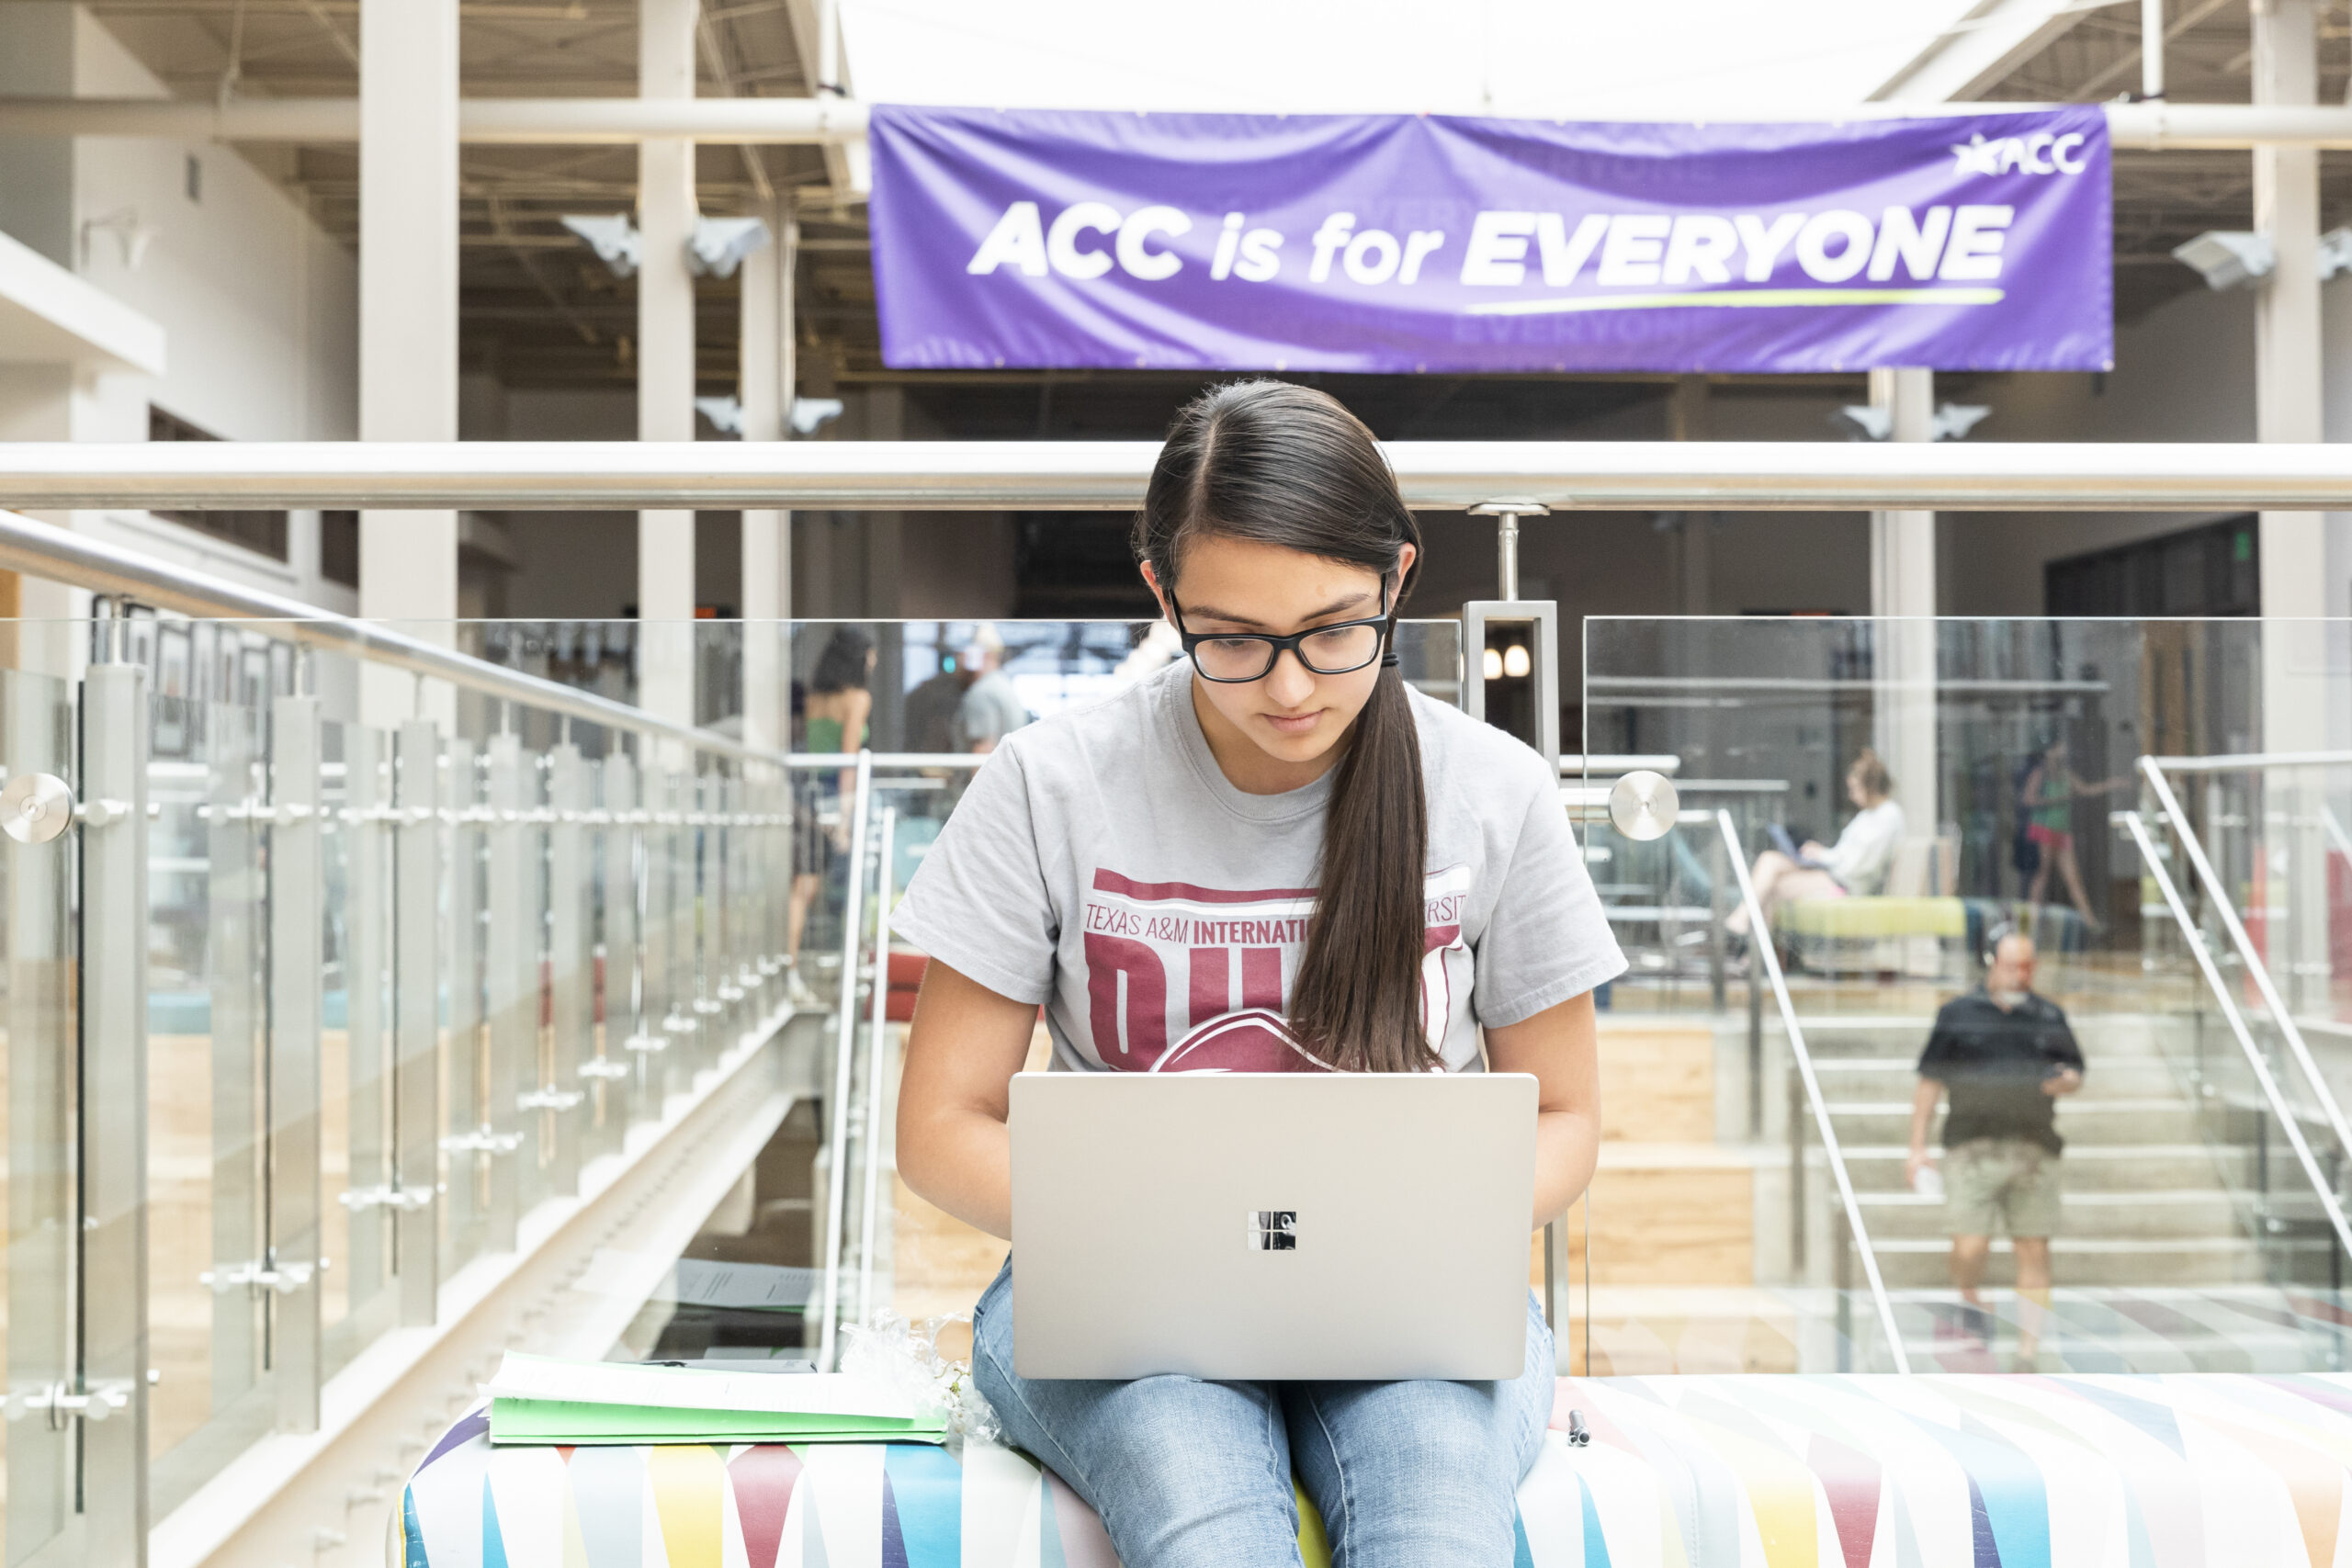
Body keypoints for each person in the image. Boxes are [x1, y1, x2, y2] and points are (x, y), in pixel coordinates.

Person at [890, 380, 1625, 1568]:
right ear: (1162, 596)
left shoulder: (1491, 788)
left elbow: (1570, 1115)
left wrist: (1383, 1232)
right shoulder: (1049, 782)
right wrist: (1189, 1231)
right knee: (1206, 1524)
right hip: (1116, 1295)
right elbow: (938, 1125)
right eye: (1232, 637)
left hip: (1411, 1297)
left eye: (1336, 630)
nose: (1291, 688)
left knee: (1438, 1526)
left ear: (1398, 578)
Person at [1905, 932, 2084, 1365]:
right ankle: (1969, 1299)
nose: (2018, 974)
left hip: (2033, 1147)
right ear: (1992, 963)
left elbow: (2075, 1071)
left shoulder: (2048, 1014)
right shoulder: (1958, 1013)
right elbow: (1930, 1081)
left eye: (2026, 966)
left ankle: (2029, 1349)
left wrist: (2066, 1081)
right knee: (1969, 1244)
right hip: (1971, 1145)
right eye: (2010, 965)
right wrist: (1917, 1147)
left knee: (2033, 1247)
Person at [1724, 750, 1905, 936]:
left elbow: (1857, 866)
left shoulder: (1888, 816)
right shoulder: (1867, 815)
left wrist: (1822, 856)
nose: (1851, 796)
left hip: (1847, 885)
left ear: (1870, 786)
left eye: (1854, 789)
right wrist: (1821, 854)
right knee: (1770, 860)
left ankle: (1748, 939)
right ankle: (1744, 927)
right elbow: (1847, 856)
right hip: (1834, 875)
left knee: (1774, 887)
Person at [786, 626, 875, 996]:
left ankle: (789, 969)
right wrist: (845, 816)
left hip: (806, 794)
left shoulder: (815, 698)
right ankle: (848, 968)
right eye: (870, 654)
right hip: (837, 794)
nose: (872, 661)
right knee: (850, 887)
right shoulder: (857, 698)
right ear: (859, 657)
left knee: (803, 887)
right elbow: (848, 759)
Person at [2017, 737, 2126, 931]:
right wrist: (2057, 799)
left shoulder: (2066, 774)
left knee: (2073, 879)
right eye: (2059, 748)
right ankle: (2029, 924)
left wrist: (2112, 784)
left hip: (2062, 832)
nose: (2064, 752)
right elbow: (2028, 799)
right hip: (2044, 830)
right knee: (2042, 875)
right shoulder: (2040, 774)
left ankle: (2090, 922)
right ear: (2050, 751)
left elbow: (2086, 789)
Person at [953, 624, 1031, 753]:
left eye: (964, 654)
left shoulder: (981, 693)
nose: (959, 660)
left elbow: (983, 750)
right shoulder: (1003, 685)